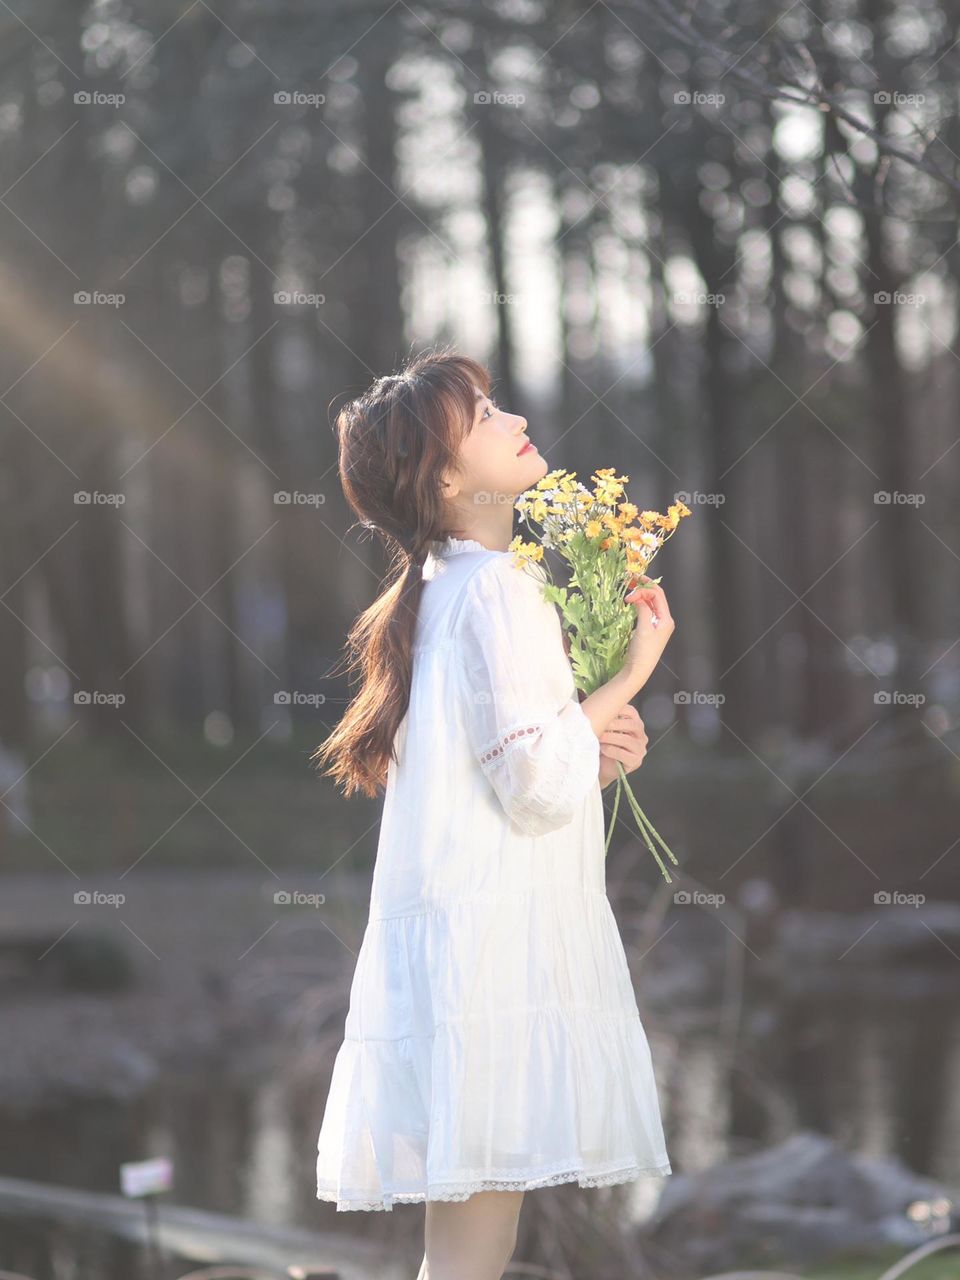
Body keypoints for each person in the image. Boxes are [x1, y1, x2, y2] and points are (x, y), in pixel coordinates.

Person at [313, 348, 674, 1280]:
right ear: (443, 476)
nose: (511, 420)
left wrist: (588, 753)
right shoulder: (498, 591)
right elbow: (530, 780)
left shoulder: (440, 591)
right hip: (491, 959)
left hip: (467, 950)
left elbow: (509, 785)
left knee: (469, 1245)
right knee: (475, 1250)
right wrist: (628, 679)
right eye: (482, 418)